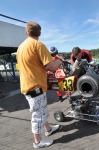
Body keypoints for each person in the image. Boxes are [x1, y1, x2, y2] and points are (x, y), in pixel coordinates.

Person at [16, 21, 63, 149]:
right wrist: (59, 61)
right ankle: (37, 141)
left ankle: (48, 129)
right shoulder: (38, 45)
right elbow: (51, 66)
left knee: (42, 110)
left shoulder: (21, 47)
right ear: (40, 33)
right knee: (38, 114)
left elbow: (33, 65)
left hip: (27, 84)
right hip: (35, 86)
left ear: (27, 32)